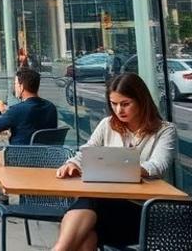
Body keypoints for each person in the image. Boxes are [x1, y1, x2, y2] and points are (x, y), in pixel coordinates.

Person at [52, 72, 177, 251]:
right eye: (114, 104)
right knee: (86, 236)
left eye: (125, 104)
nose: (119, 110)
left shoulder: (164, 130)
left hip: (142, 211)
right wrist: (72, 164)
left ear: (142, 101)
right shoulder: (107, 124)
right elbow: (87, 152)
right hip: (103, 209)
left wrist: (126, 168)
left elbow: (158, 165)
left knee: (90, 204)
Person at [0, 68, 58, 200]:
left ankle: (1, 195)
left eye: (15, 84)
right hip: (46, 158)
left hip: (19, 158)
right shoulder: (51, 107)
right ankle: (3, 192)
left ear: (21, 86)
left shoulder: (18, 110)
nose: (14, 87)